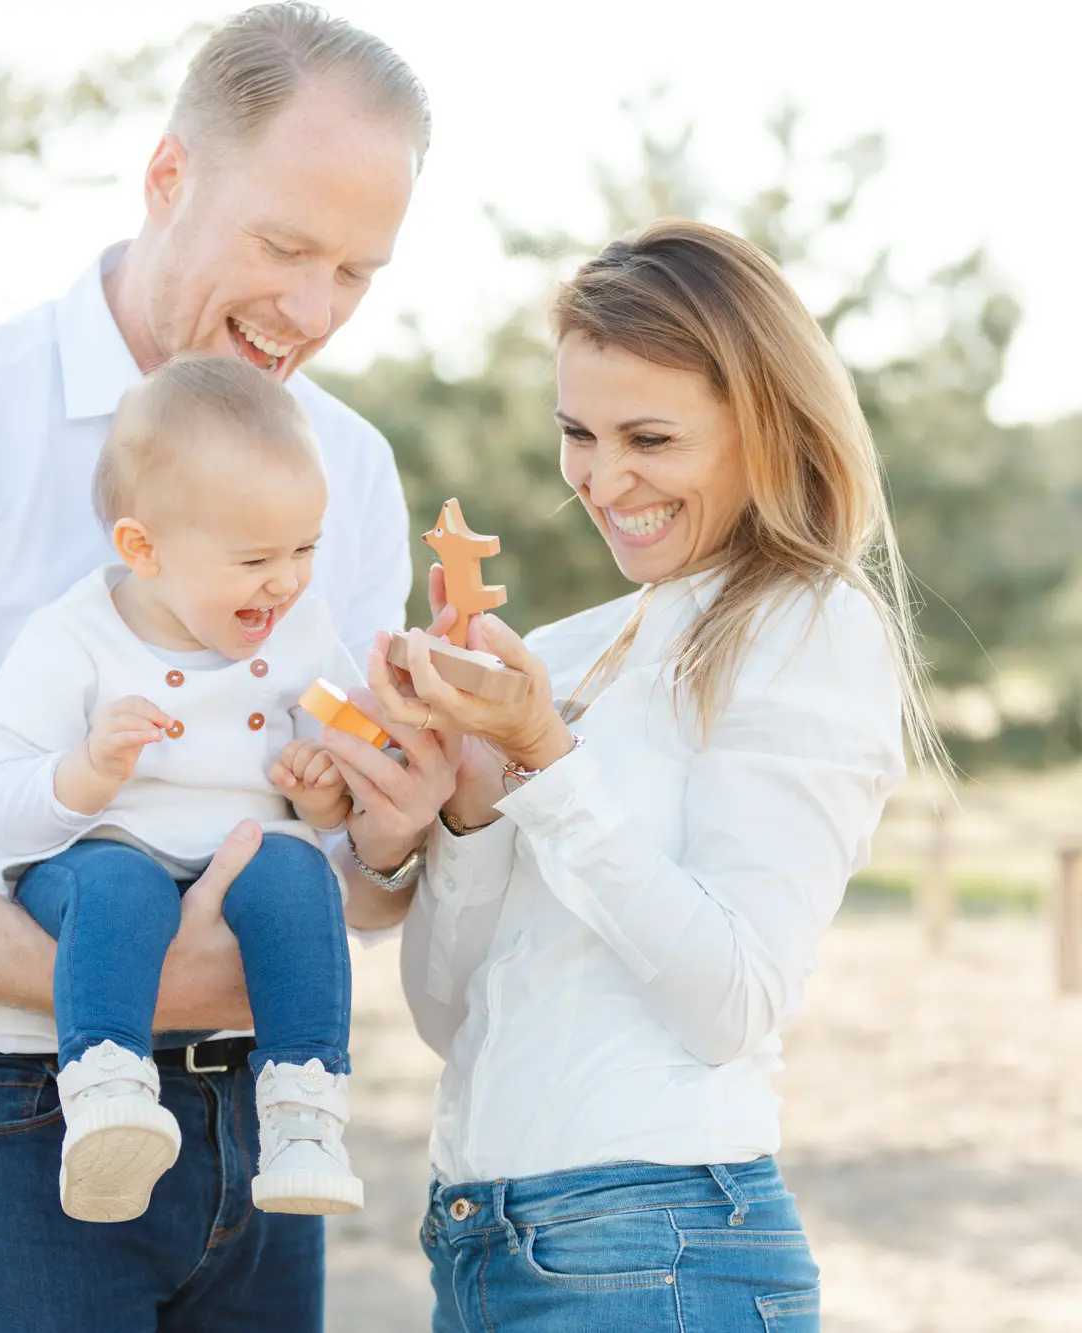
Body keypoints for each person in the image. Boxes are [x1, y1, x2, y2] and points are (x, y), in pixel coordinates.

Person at [0, 6, 437, 1329]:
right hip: (1, 1110)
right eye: (286, 244)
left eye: (356, 272)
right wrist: (118, 985)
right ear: (167, 178)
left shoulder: (349, 467)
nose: (310, 312)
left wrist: (394, 844)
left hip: (270, 1114)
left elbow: (347, 866)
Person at [313, 218, 934, 1333]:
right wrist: (458, 809)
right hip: (484, 1239)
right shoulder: (560, 653)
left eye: (650, 437)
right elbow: (455, 1019)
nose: (603, 481)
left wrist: (545, 760)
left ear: (766, 426)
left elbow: (730, 1000)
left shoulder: (809, 628)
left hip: (660, 1248)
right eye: (577, 434)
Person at [0, 355, 381, 1224]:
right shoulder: (72, 637)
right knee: (121, 888)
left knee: (303, 883)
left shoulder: (299, 628)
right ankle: (108, 1092)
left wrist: (320, 788)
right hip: (105, 849)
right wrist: (87, 772)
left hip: (250, 849)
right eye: (257, 557)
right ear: (142, 549)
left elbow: (334, 787)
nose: (289, 580)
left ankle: (305, 1117)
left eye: (306, 548)